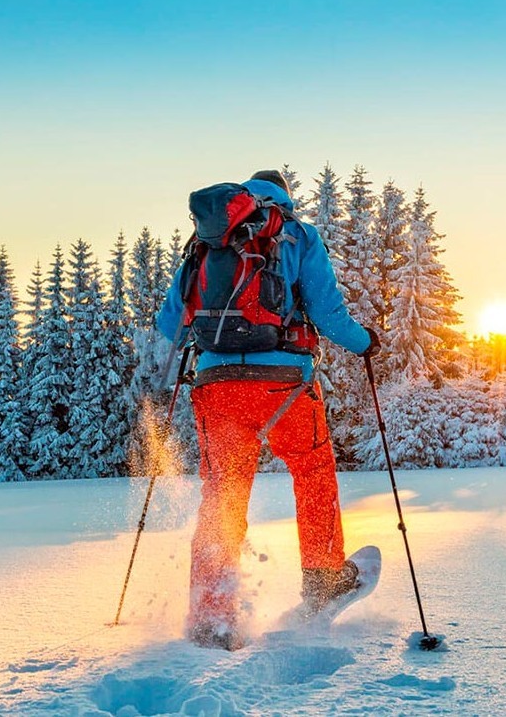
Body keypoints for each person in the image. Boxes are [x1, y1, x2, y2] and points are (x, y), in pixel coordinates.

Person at [157, 169, 381, 650]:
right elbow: (327, 313)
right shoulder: (296, 234)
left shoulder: (206, 241)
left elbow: (170, 323)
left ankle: (211, 616)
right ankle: (323, 577)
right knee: (312, 469)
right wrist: (365, 344)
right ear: (284, 197)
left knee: (223, 494)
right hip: (285, 386)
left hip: (217, 388)